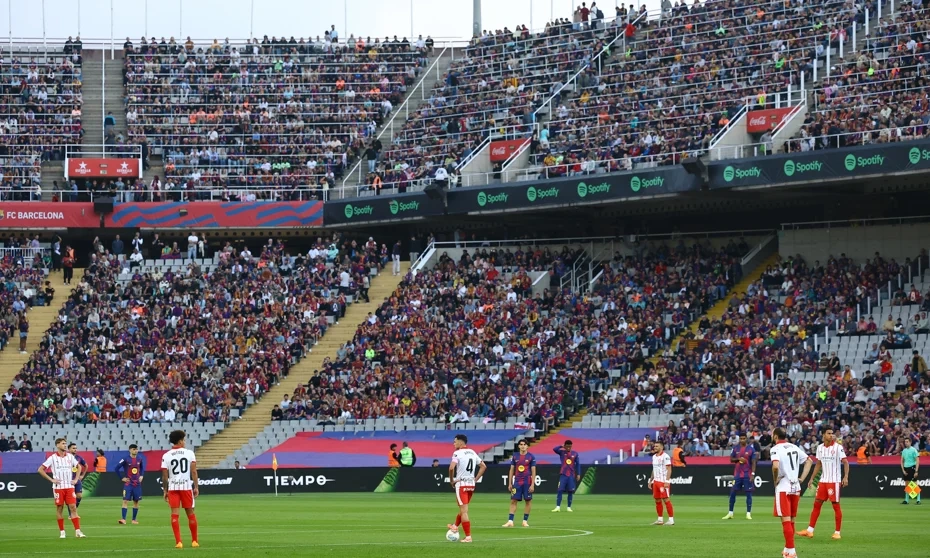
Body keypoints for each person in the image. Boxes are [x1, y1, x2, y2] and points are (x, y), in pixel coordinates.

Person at [798, 428, 849, 540]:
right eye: (829, 433)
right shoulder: (820, 448)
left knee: (835, 506)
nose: (831, 435)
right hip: (823, 481)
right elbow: (818, 464)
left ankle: (837, 532)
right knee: (817, 504)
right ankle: (810, 531)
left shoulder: (838, 448)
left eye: (832, 433)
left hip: (834, 481)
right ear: (823, 435)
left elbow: (845, 462)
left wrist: (845, 476)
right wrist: (812, 478)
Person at [770, 427, 813, 558]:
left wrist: (775, 479)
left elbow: (775, 466)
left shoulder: (775, 449)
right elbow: (809, 461)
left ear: (776, 436)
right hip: (796, 487)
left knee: (786, 520)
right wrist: (802, 478)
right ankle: (787, 549)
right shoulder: (794, 447)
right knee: (792, 519)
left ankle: (792, 552)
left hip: (784, 486)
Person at [37, 438, 86, 538]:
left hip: (69, 486)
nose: (65, 445)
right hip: (58, 487)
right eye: (63, 444)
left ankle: (78, 531)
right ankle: (62, 532)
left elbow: (79, 467)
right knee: (60, 508)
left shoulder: (70, 457)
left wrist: (76, 479)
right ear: (57, 445)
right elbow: (40, 469)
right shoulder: (53, 458)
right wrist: (51, 480)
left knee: (73, 507)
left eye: (65, 443)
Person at [161, 430, 199, 549]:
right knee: (190, 513)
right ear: (180, 441)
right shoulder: (189, 453)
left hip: (173, 488)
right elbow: (193, 471)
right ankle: (194, 541)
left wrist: (165, 490)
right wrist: (196, 487)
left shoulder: (166, 455)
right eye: (184, 439)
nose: (185, 441)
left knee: (174, 514)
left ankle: (179, 542)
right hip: (186, 487)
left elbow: (165, 476)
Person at [445, 434, 486, 543]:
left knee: (464, 511)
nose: (454, 444)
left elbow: (451, 468)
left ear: (460, 442)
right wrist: (475, 479)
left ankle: (468, 537)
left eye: (455, 441)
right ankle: (454, 526)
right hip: (471, 484)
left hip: (461, 484)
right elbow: (483, 466)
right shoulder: (472, 452)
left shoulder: (457, 453)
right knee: (463, 509)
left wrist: (452, 481)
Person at [724, 433, 757, 520]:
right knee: (732, 493)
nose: (742, 440)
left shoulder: (751, 449)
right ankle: (730, 513)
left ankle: (748, 513)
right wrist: (738, 459)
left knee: (748, 494)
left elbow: (753, 462)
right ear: (739, 439)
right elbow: (731, 459)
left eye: (744, 438)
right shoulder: (735, 448)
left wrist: (753, 474)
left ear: (746, 439)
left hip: (747, 474)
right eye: (741, 438)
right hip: (737, 475)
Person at [503, 439, 536, 528]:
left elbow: (533, 471)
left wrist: (533, 484)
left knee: (528, 501)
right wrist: (510, 483)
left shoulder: (531, 457)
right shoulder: (515, 456)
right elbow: (511, 470)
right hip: (517, 482)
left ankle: (525, 521)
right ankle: (510, 521)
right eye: (521, 444)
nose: (523, 446)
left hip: (527, 482)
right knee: (513, 500)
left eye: (525, 444)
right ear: (518, 446)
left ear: (527, 446)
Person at [116, 444, 145, 524]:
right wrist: (122, 478)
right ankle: (123, 519)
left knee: (136, 501)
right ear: (130, 450)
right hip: (128, 484)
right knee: (125, 500)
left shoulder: (140, 459)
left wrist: (142, 475)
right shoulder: (125, 459)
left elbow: (142, 467)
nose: (135, 450)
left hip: (137, 484)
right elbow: (116, 468)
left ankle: (134, 520)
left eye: (136, 449)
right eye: (134, 449)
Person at [649, 439, 674, 526]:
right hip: (656, 481)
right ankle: (660, 520)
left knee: (666, 499)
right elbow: (654, 469)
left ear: (662, 447)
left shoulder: (665, 456)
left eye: (657, 446)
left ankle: (671, 520)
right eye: (654, 446)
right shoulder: (654, 457)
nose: (655, 447)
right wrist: (650, 480)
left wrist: (667, 481)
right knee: (657, 500)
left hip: (663, 482)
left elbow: (669, 469)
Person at [552, 440, 581, 512]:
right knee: (560, 490)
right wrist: (561, 446)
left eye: (570, 446)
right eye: (567, 446)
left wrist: (578, 474)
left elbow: (578, 464)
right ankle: (558, 507)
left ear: (571, 446)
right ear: (565, 446)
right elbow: (554, 449)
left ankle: (569, 507)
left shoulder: (575, 454)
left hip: (571, 475)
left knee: (570, 491)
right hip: (563, 474)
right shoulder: (562, 452)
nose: (568, 448)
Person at [67, 443, 87, 518]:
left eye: (76, 448)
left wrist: (82, 475)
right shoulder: (66, 457)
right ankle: (71, 514)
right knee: (70, 498)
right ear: (69, 449)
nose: (75, 449)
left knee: (79, 496)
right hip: (69, 480)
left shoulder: (79, 458)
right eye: (73, 448)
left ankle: (73, 512)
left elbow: (86, 466)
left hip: (77, 479)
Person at [899, 437, 920, 505]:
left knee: (914, 484)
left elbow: (917, 461)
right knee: (907, 484)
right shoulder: (904, 451)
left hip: (912, 467)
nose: (906, 443)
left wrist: (916, 471)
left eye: (907, 442)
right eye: (905, 442)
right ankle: (906, 500)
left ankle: (918, 499)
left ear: (910, 442)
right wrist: (903, 470)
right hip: (906, 468)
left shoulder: (914, 450)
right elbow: (902, 461)